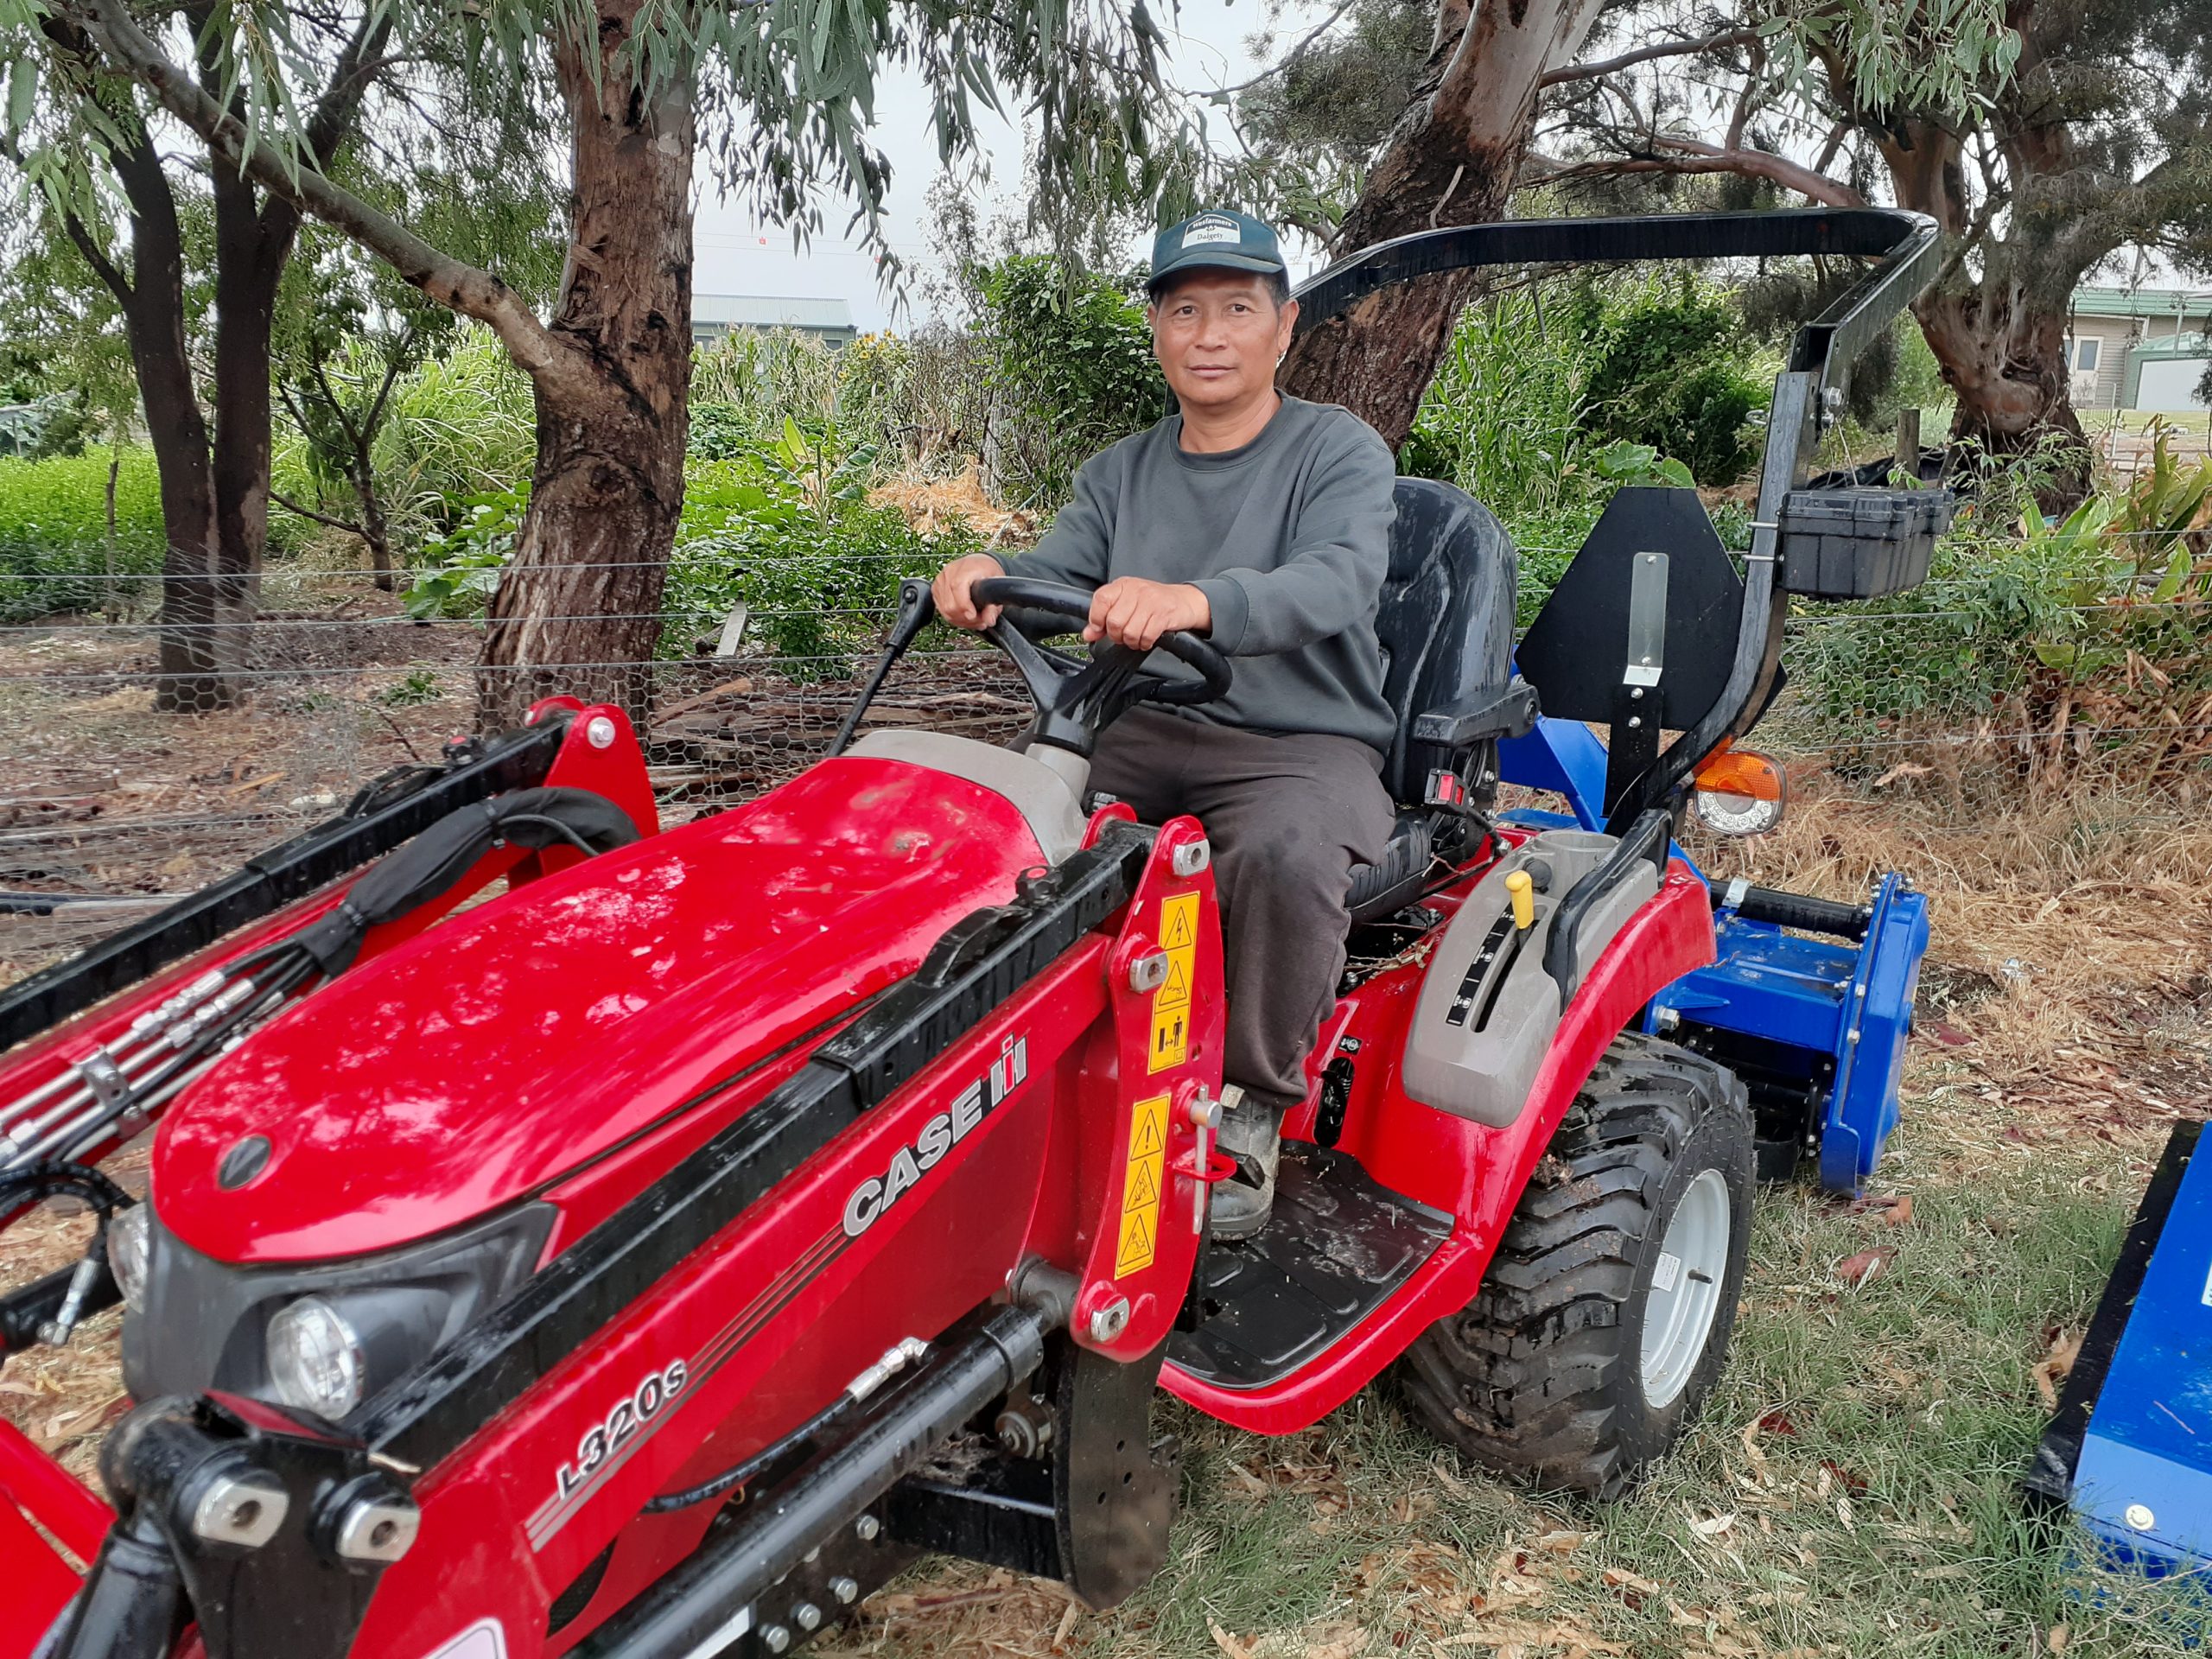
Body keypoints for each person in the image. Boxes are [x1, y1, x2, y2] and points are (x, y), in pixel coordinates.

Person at [931, 208, 1399, 1237]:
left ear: (1284, 327)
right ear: (1156, 332)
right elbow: (1055, 574)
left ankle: (1250, 1104)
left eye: (1237, 309)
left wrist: (1195, 601)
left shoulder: (1336, 451)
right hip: (1137, 722)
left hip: (1297, 742)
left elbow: (1336, 578)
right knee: (1014, 828)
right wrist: (986, 577)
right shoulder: (1120, 473)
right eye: (1184, 312)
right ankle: (980, 1058)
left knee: (1282, 854)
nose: (1209, 335)